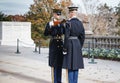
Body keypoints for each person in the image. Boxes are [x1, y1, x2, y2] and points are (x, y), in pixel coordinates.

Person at [62, 6, 85, 83]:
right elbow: (82, 36)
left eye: (69, 13)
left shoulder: (69, 23)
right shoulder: (80, 23)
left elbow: (66, 36)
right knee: (76, 66)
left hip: (70, 44)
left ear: (71, 13)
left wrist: (65, 48)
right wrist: (79, 45)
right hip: (77, 44)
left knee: (70, 66)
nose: (69, 14)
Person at [44, 8, 64, 83]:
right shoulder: (50, 23)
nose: (59, 15)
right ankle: (55, 81)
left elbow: (64, 32)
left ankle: (59, 81)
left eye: (59, 14)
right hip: (54, 45)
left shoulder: (61, 23)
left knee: (59, 65)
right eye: (57, 14)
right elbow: (45, 33)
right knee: (54, 65)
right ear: (54, 14)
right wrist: (50, 26)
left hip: (60, 45)